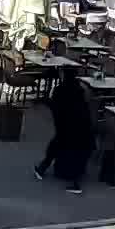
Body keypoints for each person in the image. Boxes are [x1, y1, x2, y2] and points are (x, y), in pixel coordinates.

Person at [34, 66, 95, 194]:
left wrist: (48, 104)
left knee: (56, 145)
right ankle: (74, 181)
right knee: (76, 151)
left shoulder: (60, 90)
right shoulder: (80, 90)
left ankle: (43, 168)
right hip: (84, 129)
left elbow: (57, 110)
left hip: (68, 128)